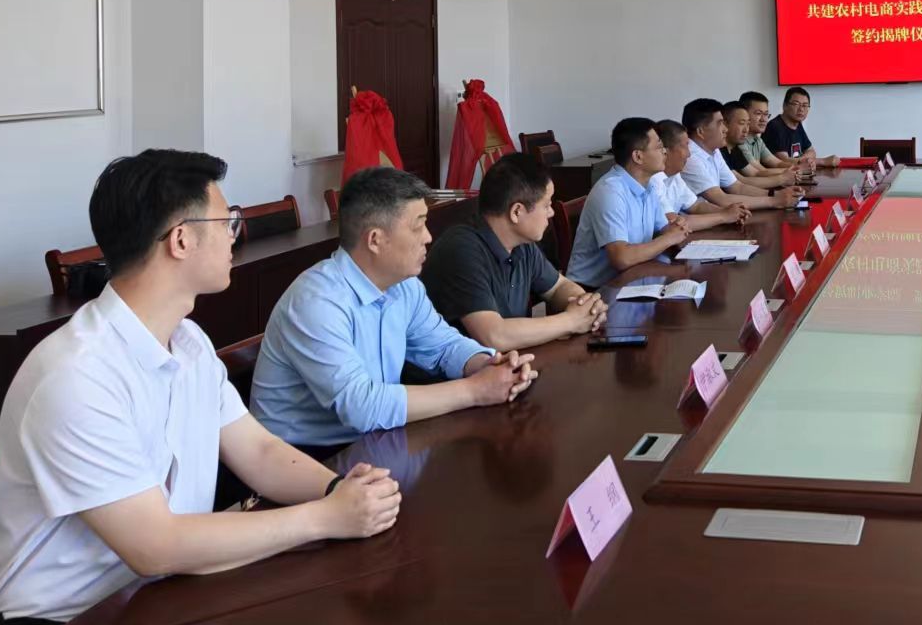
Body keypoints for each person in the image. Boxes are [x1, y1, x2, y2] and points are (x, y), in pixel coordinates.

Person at [0, 151, 402, 625]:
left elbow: (258, 451)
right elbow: (155, 545)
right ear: (180, 240)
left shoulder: (189, 341)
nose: (235, 237)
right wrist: (325, 517)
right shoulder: (77, 375)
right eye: (226, 222)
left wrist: (341, 490)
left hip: (160, 599)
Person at [251, 167, 536, 451]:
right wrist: (475, 390)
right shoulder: (316, 303)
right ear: (375, 240)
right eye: (418, 226)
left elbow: (443, 346)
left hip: (372, 441)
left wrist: (488, 364)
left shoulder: (404, 286)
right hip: (303, 457)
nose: (428, 237)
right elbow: (361, 406)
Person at [421, 153, 609, 353]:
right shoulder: (461, 250)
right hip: (458, 370)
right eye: (546, 205)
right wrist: (571, 321)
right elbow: (493, 336)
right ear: (516, 212)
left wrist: (586, 306)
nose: (551, 212)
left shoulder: (521, 243)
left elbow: (558, 287)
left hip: (509, 362)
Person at [566, 117, 692, 287]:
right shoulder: (610, 191)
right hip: (593, 290)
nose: (665, 152)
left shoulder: (648, 186)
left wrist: (676, 226)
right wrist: (669, 238)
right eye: (659, 147)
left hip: (632, 278)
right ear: (638, 156)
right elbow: (622, 258)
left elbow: (663, 229)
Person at [680, 98, 804, 212]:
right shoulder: (690, 157)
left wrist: (776, 195)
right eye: (720, 123)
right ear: (701, 131)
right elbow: (721, 199)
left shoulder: (714, 150)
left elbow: (737, 187)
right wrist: (775, 201)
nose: (725, 129)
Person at [652, 120, 754, 232]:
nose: (689, 154)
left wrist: (729, 211)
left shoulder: (674, 176)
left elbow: (696, 206)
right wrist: (724, 216)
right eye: (685, 146)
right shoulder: (653, 179)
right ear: (665, 152)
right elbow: (674, 222)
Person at [720, 100, 801, 186]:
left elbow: (754, 173)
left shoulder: (735, 149)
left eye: (748, 124)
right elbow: (741, 184)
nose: (746, 130)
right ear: (725, 124)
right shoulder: (720, 151)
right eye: (742, 123)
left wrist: (792, 172)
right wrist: (783, 178)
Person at [762, 87, 841, 168]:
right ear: (785, 106)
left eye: (805, 105)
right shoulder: (775, 127)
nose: (801, 109)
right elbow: (783, 161)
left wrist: (803, 160)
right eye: (796, 104)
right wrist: (822, 161)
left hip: (796, 173)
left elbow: (811, 151)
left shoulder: (797, 124)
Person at [740, 91, 795, 170]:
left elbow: (777, 163)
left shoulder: (757, 140)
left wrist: (798, 168)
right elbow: (759, 171)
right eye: (758, 113)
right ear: (744, 114)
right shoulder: (739, 142)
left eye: (766, 114)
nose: (763, 119)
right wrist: (796, 171)